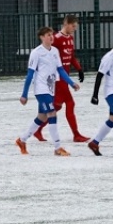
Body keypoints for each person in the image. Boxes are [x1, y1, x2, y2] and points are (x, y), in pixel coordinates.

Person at [16, 26, 78, 154]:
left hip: (51, 88)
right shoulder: (36, 53)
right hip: (41, 89)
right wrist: (24, 94)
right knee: (52, 113)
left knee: (42, 117)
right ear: (42, 37)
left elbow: (60, 70)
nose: (51, 37)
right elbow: (30, 74)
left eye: (52, 34)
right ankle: (57, 147)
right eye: (48, 35)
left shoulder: (55, 51)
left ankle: (22, 140)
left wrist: (71, 82)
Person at [39, 15, 84, 143]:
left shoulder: (70, 38)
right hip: (58, 78)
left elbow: (71, 56)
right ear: (66, 24)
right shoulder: (57, 39)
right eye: (73, 26)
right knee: (70, 103)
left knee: (56, 107)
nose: (74, 29)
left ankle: (37, 129)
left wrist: (79, 69)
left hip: (64, 76)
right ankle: (76, 135)